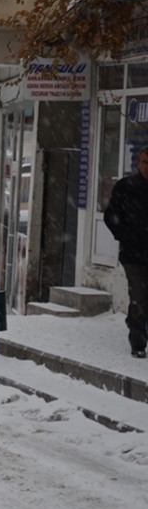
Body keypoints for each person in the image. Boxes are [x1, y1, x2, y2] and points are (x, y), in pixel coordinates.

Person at [103, 145, 148, 359]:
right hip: (134, 255)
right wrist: (125, 236)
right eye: (145, 162)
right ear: (138, 163)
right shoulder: (126, 187)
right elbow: (111, 215)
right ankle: (138, 341)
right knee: (139, 295)